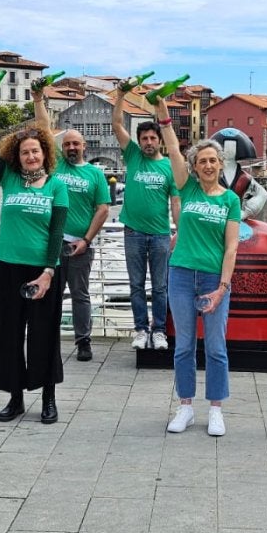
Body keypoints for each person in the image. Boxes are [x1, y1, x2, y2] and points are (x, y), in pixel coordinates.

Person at [0, 108, 68, 424]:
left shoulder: (57, 185)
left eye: (35, 151)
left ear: (45, 153)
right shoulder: (10, 178)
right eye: (25, 152)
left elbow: (56, 232)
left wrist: (48, 271)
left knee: (44, 334)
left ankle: (48, 399)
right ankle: (15, 398)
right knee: (10, 333)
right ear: (18, 156)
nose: (30, 156)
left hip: (43, 270)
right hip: (8, 265)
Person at [158, 96, 241, 437]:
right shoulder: (187, 188)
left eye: (212, 160)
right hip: (180, 274)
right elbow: (173, 147)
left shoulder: (231, 200)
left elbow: (232, 246)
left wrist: (222, 287)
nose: (207, 165)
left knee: (217, 346)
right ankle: (186, 407)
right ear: (194, 167)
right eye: (202, 161)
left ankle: (216, 409)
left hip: (212, 279)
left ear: (220, 164)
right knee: (185, 345)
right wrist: (162, 110)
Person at [33, 87, 110, 362]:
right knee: (50, 293)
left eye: (75, 143)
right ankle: (46, 340)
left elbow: (102, 209)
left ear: (84, 146)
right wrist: (38, 100)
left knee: (80, 294)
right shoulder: (54, 167)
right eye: (67, 144)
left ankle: (83, 341)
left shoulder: (94, 174)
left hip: (80, 245)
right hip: (51, 243)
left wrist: (86, 240)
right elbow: (43, 127)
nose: (71, 147)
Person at [113, 84, 180, 350]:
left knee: (161, 287)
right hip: (133, 233)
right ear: (139, 142)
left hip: (161, 234)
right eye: (144, 139)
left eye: (153, 138)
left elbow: (175, 201)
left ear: (159, 140)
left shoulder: (169, 166)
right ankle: (141, 330)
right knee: (136, 285)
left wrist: (179, 231)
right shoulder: (133, 157)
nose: (148, 142)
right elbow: (117, 124)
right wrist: (119, 96)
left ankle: (160, 330)